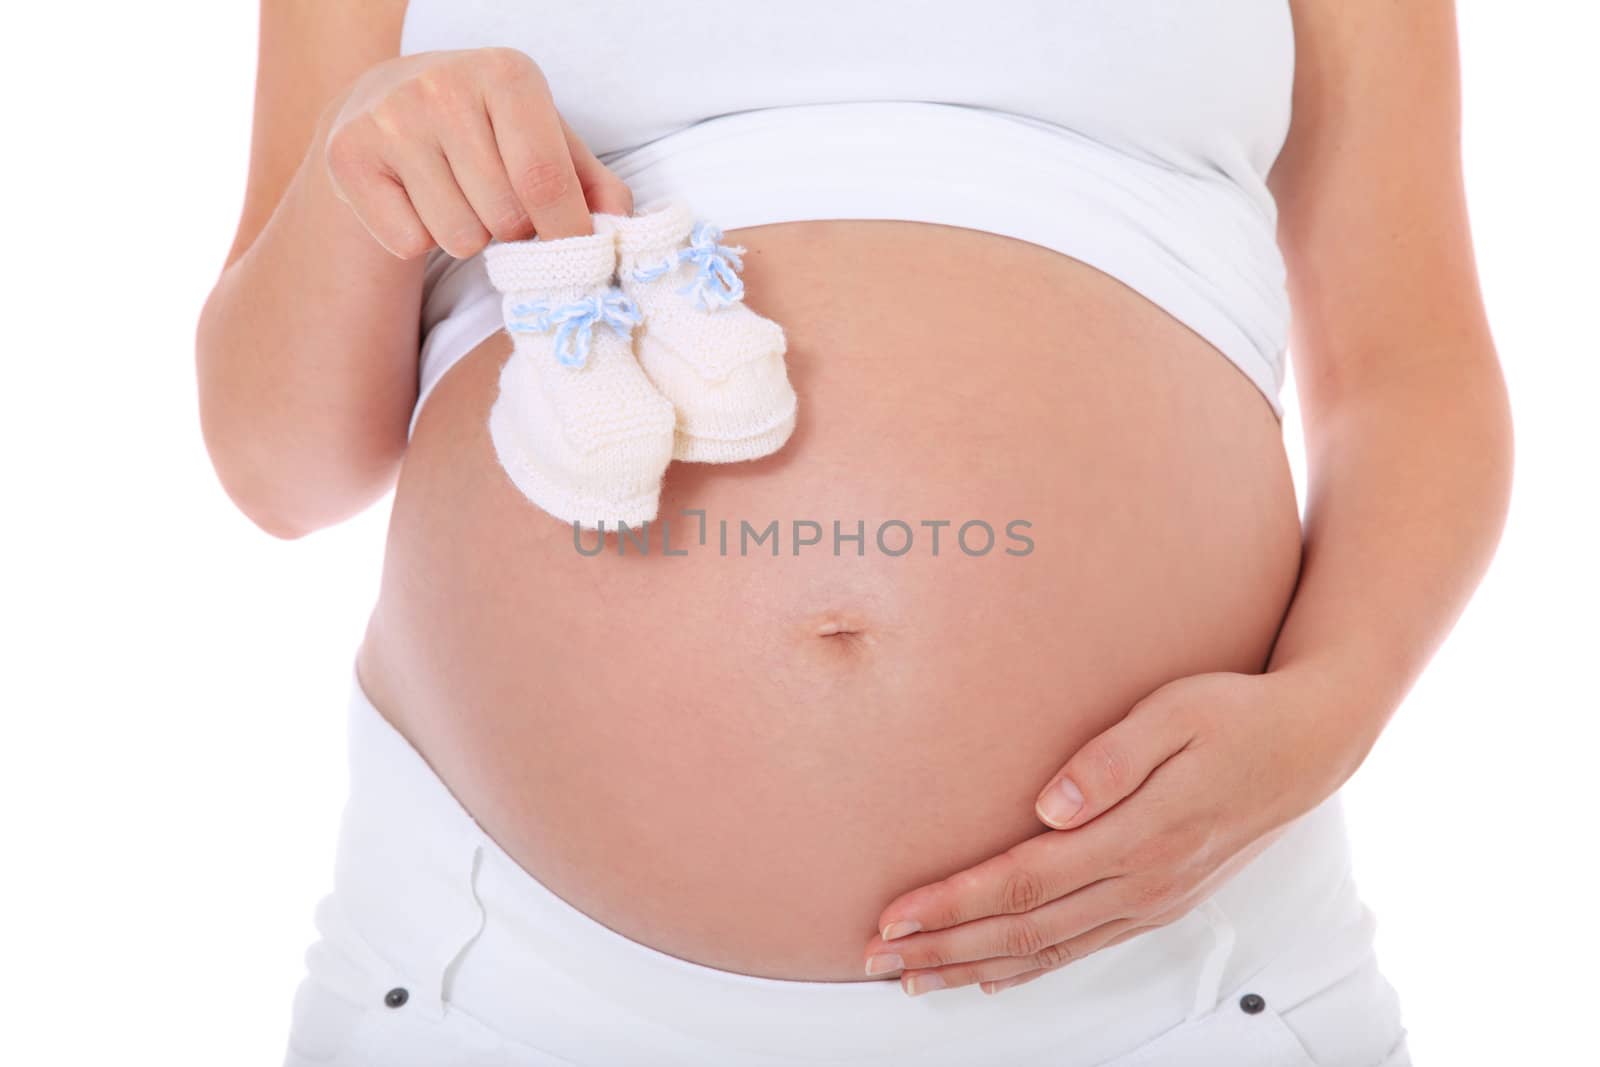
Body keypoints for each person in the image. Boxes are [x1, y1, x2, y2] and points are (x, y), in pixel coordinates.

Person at [195, 1, 1513, 1063]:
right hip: (504, 979)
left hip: (1175, 967)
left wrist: (1335, 712)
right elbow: (279, 469)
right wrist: (354, 166)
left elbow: (1414, 365)